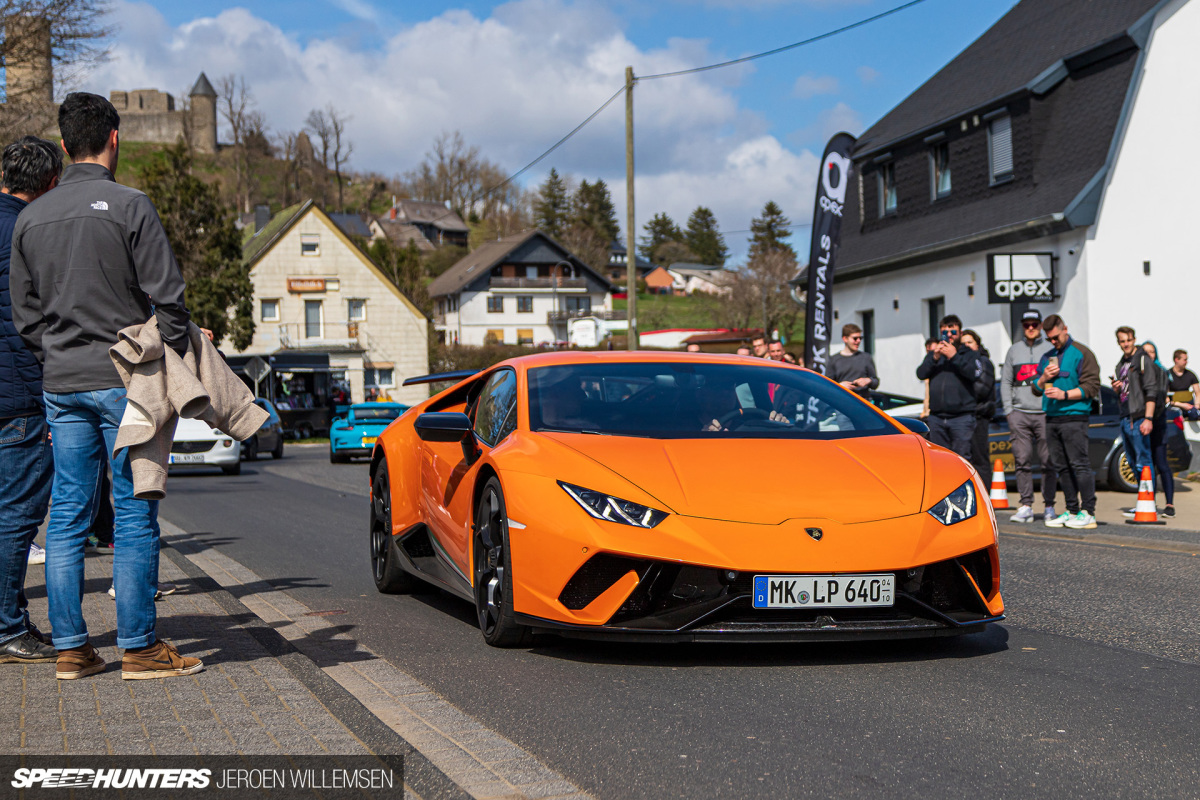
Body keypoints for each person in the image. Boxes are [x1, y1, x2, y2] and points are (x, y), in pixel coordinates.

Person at [10, 92, 204, 680]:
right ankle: (140, 647)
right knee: (134, 509)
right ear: (113, 139)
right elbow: (169, 297)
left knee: (66, 514)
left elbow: (25, 315)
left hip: (61, 383)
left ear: (65, 145)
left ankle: (72, 649)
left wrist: (57, 354)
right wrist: (166, 347)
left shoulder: (30, 217)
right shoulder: (130, 205)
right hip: (124, 382)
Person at [0, 136, 61, 664]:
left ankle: (10, 617)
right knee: (17, 516)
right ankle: (6, 628)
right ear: (48, 185)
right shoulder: (30, 232)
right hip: (20, 395)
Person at [1034, 315, 1100, 529]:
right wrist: (1043, 378)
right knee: (1061, 466)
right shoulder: (1047, 357)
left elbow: (1092, 387)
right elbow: (1036, 388)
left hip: (1075, 416)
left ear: (1065, 329)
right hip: (1052, 417)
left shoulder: (1082, 353)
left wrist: (1064, 395)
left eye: (1055, 337)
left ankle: (1088, 512)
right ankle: (1072, 510)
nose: (1053, 342)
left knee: (1079, 464)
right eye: (1049, 339)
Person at [1000, 309, 1057, 524]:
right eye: (1027, 324)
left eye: (1034, 324)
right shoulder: (1013, 351)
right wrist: (1009, 411)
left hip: (1044, 413)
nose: (1030, 328)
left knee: (1047, 461)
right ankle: (1025, 505)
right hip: (1020, 413)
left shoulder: (1050, 349)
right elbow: (1006, 381)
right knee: (1022, 460)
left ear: (1040, 325)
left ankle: (1049, 505)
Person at [915, 315, 982, 459]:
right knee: (940, 460)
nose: (949, 335)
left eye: (953, 332)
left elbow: (974, 374)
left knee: (961, 459)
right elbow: (920, 373)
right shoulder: (935, 355)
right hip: (937, 418)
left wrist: (954, 356)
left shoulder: (968, 354)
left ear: (960, 333)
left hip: (961, 418)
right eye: (945, 332)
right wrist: (934, 358)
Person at [1112, 327, 1160, 511]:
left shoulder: (1141, 359)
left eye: (1128, 340)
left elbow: (1151, 390)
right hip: (1125, 416)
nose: (1126, 344)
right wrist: (1118, 388)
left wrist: (1148, 418)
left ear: (1134, 340)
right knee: (1132, 462)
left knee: (1144, 461)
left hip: (1139, 417)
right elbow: (1127, 391)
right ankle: (1143, 501)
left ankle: (1149, 503)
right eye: (1122, 341)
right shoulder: (1121, 364)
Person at [1139, 340, 1175, 517]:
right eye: (1145, 352)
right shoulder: (1136, 373)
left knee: (1161, 463)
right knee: (1146, 464)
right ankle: (1147, 502)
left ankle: (1169, 504)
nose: (1148, 355)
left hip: (1157, 422)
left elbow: (1159, 398)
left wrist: (1150, 417)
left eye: (1151, 352)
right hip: (1142, 424)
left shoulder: (1161, 372)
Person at [959, 330, 996, 479]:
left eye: (970, 342)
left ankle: (984, 495)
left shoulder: (983, 362)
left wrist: (959, 394)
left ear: (977, 344)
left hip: (979, 415)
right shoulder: (961, 362)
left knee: (980, 458)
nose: (966, 346)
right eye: (963, 343)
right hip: (964, 416)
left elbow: (982, 388)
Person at [827, 323, 879, 398]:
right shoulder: (834, 360)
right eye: (855, 338)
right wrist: (839, 386)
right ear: (845, 339)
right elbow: (827, 386)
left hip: (863, 403)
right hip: (842, 402)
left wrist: (868, 380)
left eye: (860, 338)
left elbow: (875, 382)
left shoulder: (866, 357)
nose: (858, 341)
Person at [1167, 349, 1199, 416]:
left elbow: (1198, 392)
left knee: (1194, 414)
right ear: (1176, 360)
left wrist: (1196, 405)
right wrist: (1181, 405)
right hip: (1174, 406)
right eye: (1184, 360)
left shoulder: (1190, 374)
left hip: (1189, 405)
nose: (1186, 362)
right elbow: (1165, 396)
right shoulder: (1168, 375)